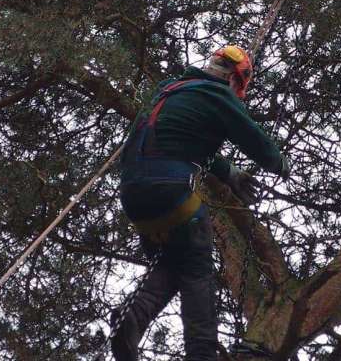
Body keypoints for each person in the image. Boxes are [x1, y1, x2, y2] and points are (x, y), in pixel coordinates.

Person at [112, 45, 290, 361]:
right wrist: (280, 164)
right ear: (236, 79)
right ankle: (202, 353)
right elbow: (256, 141)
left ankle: (133, 317)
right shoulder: (218, 95)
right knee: (197, 264)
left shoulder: (168, 91)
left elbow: (177, 138)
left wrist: (229, 173)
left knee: (172, 261)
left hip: (134, 196)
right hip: (170, 191)